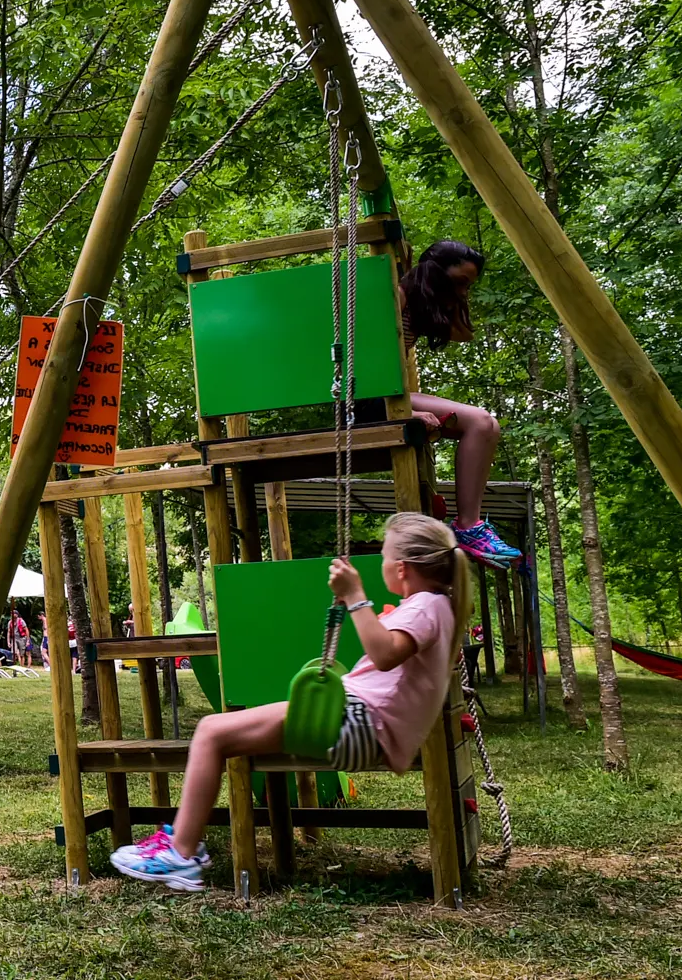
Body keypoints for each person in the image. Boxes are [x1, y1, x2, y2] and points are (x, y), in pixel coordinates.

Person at [112, 513, 467, 892]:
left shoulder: (426, 605)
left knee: (211, 732)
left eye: (382, 556)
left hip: (358, 723)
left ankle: (181, 855)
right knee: (216, 732)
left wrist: (355, 597)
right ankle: (182, 845)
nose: (379, 563)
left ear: (402, 568)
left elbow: (384, 655)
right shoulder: (438, 606)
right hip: (363, 723)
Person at [371, 240, 523, 568]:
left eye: (468, 286)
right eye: (460, 282)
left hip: (386, 394)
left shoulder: (421, 304)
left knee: (486, 425)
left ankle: (470, 525)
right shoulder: (394, 298)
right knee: (481, 422)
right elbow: (365, 367)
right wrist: (406, 413)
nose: (464, 292)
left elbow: (463, 332)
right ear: (435, 271)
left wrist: (451, 289)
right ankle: (468, 527)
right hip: (363, 399)